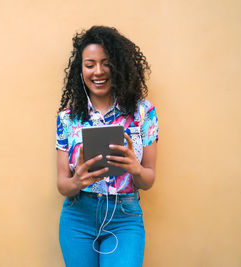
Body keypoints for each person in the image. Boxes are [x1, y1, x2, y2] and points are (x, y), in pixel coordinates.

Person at [56, 26, 159, 267]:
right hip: (78, 215)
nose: (98, 71)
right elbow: (62, 185)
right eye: (90, 64)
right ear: (80, 70)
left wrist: (136, 169)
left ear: (118, 66)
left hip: (125, 218)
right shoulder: (67, 119)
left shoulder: (144, 113)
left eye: (106, 63)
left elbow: (148, 180)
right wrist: (76, 182)